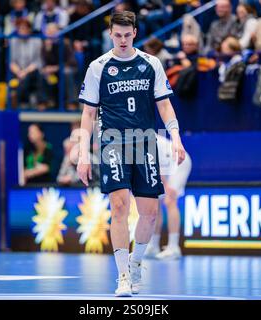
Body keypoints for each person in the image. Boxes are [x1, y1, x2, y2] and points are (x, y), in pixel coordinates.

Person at [77, 11, 186, 297]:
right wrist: (83, 153)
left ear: (135, 33)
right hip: (112, 140)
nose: (122, 40)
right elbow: (88, 113)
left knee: (149, 213)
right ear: (110, 34)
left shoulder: (151, 64)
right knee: (120, 205)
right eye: (117, 35)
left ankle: (136, 263)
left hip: (146, 141)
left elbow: (164, 106)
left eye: (127, 35)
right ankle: (123, 275)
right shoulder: (98, 66)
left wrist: (176, 138)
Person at [145, 134, 192, 260]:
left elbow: (154, 165)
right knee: (155, 201)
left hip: (178, 162)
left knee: (170, 200)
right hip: (165, 165)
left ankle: (173, 247)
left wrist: (165, 186)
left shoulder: (142, 137)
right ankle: (153, 246)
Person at [10, 18, 45, 110]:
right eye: (20, 28)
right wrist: (19, 72)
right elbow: (11, 61)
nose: (22, 30)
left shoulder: (36, 41)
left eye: (25, 28)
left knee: (32, 76)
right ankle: (23, 102)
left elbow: (37, 62)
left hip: (31, 71)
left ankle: (19, 100)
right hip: (16, 71)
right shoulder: (13, 41)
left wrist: (24, 72)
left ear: (29, 29)